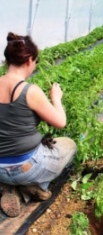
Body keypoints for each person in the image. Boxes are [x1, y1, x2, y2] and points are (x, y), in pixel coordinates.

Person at [0, 32, 76, 218]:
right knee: (69, 146)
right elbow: (60, 122)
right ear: (28, 60)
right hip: (27, 166)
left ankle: (8, 186)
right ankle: (28, 190)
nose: (35, 66)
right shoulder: (29, 91)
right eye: (35, 61)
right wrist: (56, 98)